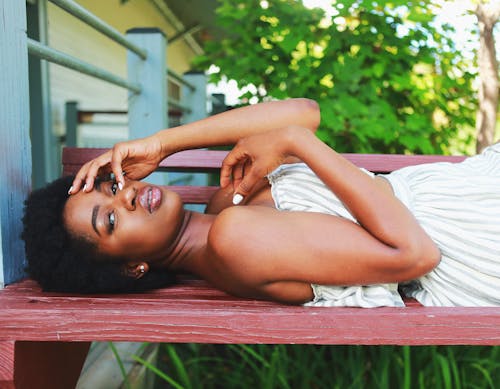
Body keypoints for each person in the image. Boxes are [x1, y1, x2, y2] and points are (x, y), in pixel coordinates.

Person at [22, 98, 500, 307]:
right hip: (473, 239)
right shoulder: (234, 241)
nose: (125, 195)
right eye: (109, 219)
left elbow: (303, 112)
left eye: (110, 186)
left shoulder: (221, 211)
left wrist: (163, 145)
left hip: (464, 197)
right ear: (133, 268)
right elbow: (416, 255)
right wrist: (295, 144)